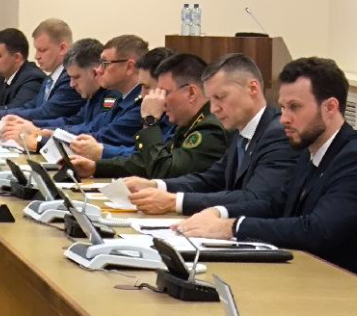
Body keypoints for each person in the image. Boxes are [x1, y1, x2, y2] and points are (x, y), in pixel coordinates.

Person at [174, 57, 357, 287]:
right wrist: (218, 213)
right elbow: (276, 204)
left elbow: (316, 231)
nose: (284, 119)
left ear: (330, 107)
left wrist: (231, 227)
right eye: (282, 107)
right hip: (323, 279)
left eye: (295, 107)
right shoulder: (310, 149)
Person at [122, 53, 301, 217]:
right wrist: (157, 185)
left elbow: (256, 198)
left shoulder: (278, 134)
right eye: (211, 99)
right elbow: (211, 179)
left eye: (220, 97)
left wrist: (175, 202)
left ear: (252, 88)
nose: (214, 108)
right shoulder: (242, 132)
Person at [69, 53, 229, 180]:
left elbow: (164, 171)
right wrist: (96, 167)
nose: (160, 100)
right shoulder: (189, 123)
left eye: (164, 92)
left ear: (191, 93)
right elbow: (146, 163)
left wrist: (150, 121)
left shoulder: (209, 128)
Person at [0, 34, 146, 146]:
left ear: (129, 67)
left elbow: (101, 138)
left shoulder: (137, 103)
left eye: (105, 64)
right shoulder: (119, 97)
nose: (99, 70)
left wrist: (38, 136)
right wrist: (40, 130)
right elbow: (84, 125)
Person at [0, 19, 82, 125]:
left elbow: (45, 113)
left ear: (62, 48)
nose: (37, 56)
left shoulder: (70, 79)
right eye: (36, 50)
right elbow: (29, 106)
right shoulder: (50, 80)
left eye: (42, 50)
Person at [72, 45, 172, 161]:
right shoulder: (121, 98)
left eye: (146, 87)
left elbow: (151, 159)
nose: (142, 94)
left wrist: (150, 121)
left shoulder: (176, 121)